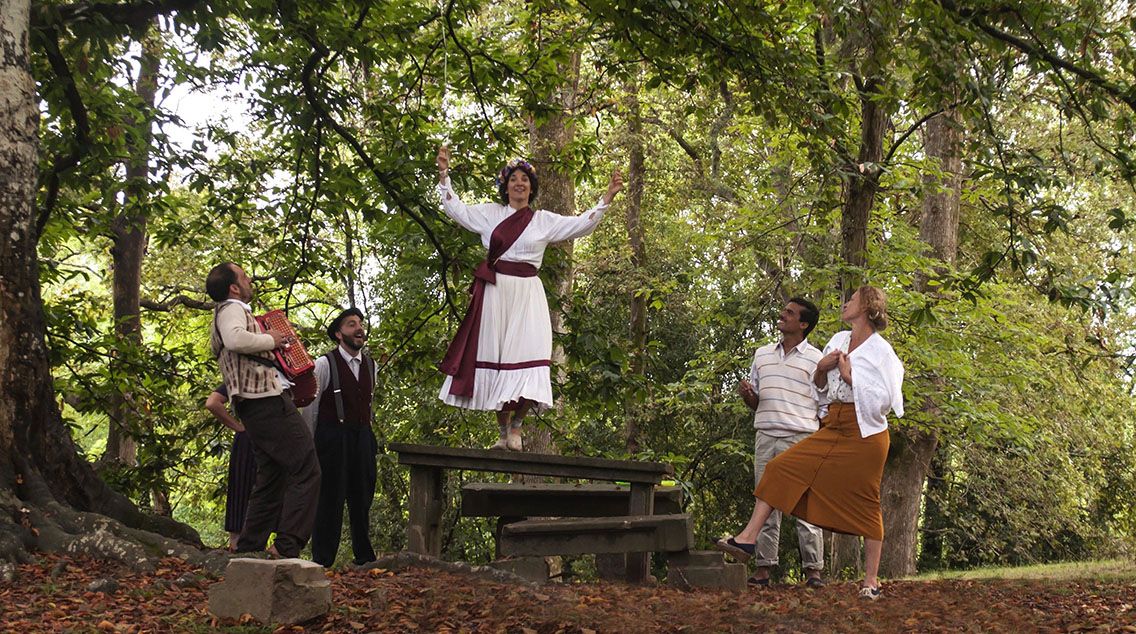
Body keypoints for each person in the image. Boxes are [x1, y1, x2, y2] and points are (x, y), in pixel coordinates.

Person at [716, 285, 903, 600]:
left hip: (866, 434)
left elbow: (889, 400)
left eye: (852, 300)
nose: (846, 304)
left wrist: (849, 377)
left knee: (868, 500)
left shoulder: (881, 351)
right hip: (832, 424)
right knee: (779, 469)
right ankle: (747, 539)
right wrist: (822, 368)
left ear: (867, 306)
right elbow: (819, 387)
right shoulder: (838, 341)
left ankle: (871, 580)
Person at [434, 145, 624, 450]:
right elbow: (456, 208)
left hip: (528, 294)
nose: (519, 183)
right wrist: (444, 175)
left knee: (531, 360)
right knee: (498, 360)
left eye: (524, 179)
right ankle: (501, 434)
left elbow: (579, 225)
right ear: (505, 186)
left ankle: (518, 427)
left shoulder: (542, 220)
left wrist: (606, 200)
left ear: (531, 188)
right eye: (513, 179)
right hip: (495, 294)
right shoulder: (490, 215)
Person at [206, 262, 321, 559]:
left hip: (255, 405)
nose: (249, 280)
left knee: (271, 479)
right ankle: (286, 546)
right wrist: (273, 340)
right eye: (244, 276)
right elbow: (234, 338)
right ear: (233, 287)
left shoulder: (229, 311)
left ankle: (248, 549)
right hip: (265, 401)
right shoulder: (231, 308)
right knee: (307, 468)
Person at [737, 298, 826, 588]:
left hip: (801, 438)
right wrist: (748, 395)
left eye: (789, 313)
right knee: (766, 501)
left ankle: (813, 571)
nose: (782, 315)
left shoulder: (816, 358)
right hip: (766, 435)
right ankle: (763, 570)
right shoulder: (761, 354)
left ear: (803, 324)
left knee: (805, 504)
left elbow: (824, 403)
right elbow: (756, 401)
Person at [301, 308, 379, 567]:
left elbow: (366, 402)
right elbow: (311, 408)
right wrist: (310, 447)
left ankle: (364, 558)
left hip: (362, 437)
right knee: (330, 500)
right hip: (332, 438)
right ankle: (322, 561)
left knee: (362, 496)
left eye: (359, 324)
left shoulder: (371, 365)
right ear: (338, 334)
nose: (358, 329)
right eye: (351, 324)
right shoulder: (325, 364)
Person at [204, 384, 257, 552]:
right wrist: (239, 427)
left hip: (264, 439)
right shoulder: (241, 377)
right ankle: (236, 546)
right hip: (249, 441)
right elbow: (212, 403)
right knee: (242, 491)